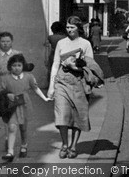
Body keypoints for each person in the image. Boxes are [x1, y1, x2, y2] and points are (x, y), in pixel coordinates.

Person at [47, 16, 94, 159]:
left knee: (77, 115)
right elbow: (55, 64)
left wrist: (74, 65)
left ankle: (73, 146)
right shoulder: (61, 43)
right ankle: (64, 144)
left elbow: (90, 66)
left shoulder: (85, 44)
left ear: (78, 28)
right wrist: (51, 86)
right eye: (67, 27)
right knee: (61, 114)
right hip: (61, 82)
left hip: (78, 82)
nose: (69, 30)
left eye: (72, 28)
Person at [0, 54, 51, 161]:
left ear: (23, 66)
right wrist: (6, 95)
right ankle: (10, 152)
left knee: (23, 128)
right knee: (12, 127)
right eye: (14, 65)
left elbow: (35, 88)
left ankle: (24, 145)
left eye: (19, 65)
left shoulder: (29, 77)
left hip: (24, 105)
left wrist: (45, 98)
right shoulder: (6, 78)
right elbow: (2, 92)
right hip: (11, 105)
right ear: (10, 66)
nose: (16, 68)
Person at [0, 32, 23, 131]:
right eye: (3, 41)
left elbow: (21, 69)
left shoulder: (17, 54)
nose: (5, 43)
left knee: (15, 98)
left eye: (7, 41)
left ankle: (15, 121)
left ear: (11, 42)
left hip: (13, 79)